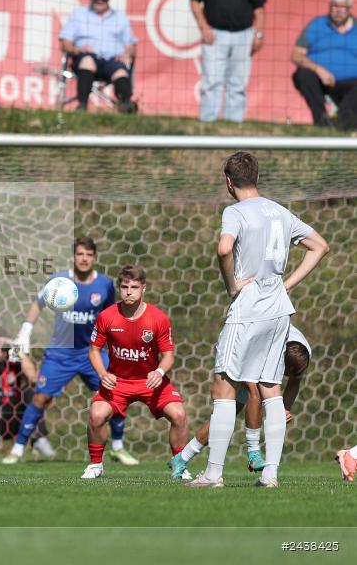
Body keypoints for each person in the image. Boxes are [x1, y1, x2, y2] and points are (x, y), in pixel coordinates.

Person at [185, 151, 329, 489]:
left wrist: (232, 284)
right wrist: (286, 284)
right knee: (270, 388)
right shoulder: (280, 211)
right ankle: (271, 475)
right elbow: (320, 246)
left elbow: (224, 249)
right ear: (258, 178)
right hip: (280, 310)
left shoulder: (234, 211)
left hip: (248, 309)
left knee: (224, 384)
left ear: (228, 182)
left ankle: (213, 474)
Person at [4, 238, 134, 465]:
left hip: (92, 352)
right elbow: (38, 303)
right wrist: (25, 331)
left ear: (94, 258)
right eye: (80, 254)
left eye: (88, 254)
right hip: (61, 353)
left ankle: (117, 447)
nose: (84, 258)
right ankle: (17, 449)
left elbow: (111, 314)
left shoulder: (104, 285)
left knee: (115, 395)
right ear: (73, 256)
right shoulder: (59, 281)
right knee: (41, 397)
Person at [81, 265, 190, 480]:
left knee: (179, 415)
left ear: (144, 289)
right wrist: (103, 373)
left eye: (134, 287)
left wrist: (159, 371)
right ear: (119, 289)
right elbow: (94, 350)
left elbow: (169, 355)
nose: (129, 291)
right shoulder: (106, 316)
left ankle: (180, 465)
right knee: (96, 415)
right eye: (124, 287)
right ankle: (95, 465)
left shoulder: (158, 318)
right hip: (118, 382)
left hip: (150, 381)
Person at [169, 326, 311, 477]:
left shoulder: (302, 354)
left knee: (233, 410)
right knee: (243, 400)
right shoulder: (265, 345)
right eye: (284, 373)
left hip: (256, 349)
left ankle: (181, 458)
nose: (284, 377)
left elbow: (294, 383)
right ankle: (253, 454)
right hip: (239, 349)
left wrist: (284, 410)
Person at [189, 0, 267, 123]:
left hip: (244, 34)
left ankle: (234, 123)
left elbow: (259, 7)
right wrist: (204, 27)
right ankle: (207, 121)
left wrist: (258, 33)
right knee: (211, 81)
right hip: (215, 34)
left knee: (238, 82)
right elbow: (194, 0)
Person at [58, 0, 137, 113]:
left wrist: (127, 53)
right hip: (85, 59)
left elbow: (131, 45)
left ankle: (126, 106)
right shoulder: (79, 14)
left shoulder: (120, 17)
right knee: (88, 61)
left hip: (112, 61)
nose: (100, 0)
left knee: (121, 72)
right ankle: (82, 106)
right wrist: (76, 50)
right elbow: (64, 43)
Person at [292, 0, 357, 129]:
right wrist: (318, 69)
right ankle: (321, 122)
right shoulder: (317, 25)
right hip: (322, 80)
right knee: (303, 74)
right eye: (334, 6)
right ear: (329, 6)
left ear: (350, 8)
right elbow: (296, 55)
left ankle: (340, 124)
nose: (338, 10)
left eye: (342, 7)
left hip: (352, 84)